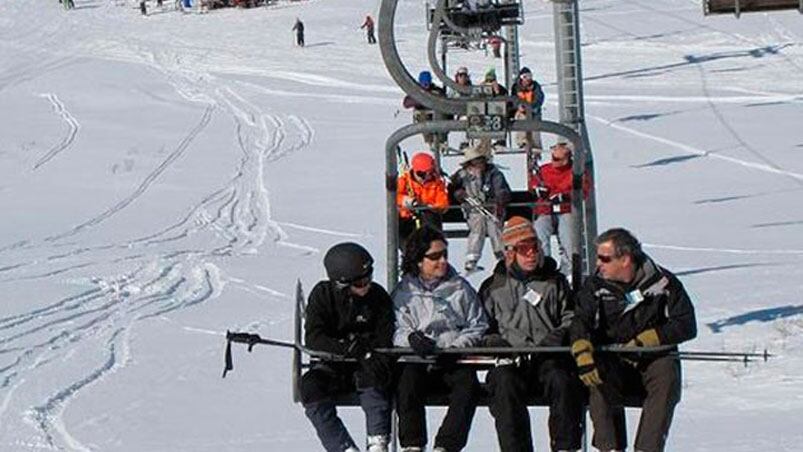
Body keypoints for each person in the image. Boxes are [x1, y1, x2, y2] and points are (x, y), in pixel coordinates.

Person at [569, 228, 698, 452]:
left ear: (625, 259)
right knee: (596, 378)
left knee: (666, 375)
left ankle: (648, 448)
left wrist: (651, 338)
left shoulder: (663, 283)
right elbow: (581, 320)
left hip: (651, 358)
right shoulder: (595, 286)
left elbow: (686, 324)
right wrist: (582, 347)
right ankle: (610, 447)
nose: (599, 264)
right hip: (612, 357)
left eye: (605, 259)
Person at [479, 216, 583, 452]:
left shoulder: (554, 282)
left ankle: (565, 447)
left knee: (563, 380)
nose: (531, 254)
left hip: (547, 356)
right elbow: (480, 324)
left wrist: (559, 335)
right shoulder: (493, 287)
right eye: (523, 249)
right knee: (503, 384)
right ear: (510, 253)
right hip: (510, 359)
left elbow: (570, 316)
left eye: (535, 247)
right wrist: (493, 341)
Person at [393, 226, 488, 452]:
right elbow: (396, 328)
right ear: (418, 260)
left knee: (467, 386)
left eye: (444, 255)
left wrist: (456, 348)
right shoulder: (404, 293)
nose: (442, 261)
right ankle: (412, 444)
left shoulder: (460, 289)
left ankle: (447, 445)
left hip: (451, 359)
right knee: (406, 383)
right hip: (418, 359)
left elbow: (478, 324)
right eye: (434, 257)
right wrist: (412, 340)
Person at [301, 243, 395, 452]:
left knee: (374, 375)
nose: (367, 285)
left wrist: (368, 350)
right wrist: (347, 347)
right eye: (360, 282)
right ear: (341, 283)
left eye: (369, 277)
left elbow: (385, 335)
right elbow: (315, 338)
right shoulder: (323, 296)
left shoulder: (378, 298)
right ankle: (342, 447)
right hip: (333, 364)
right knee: (310, 386)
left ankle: (377, 441)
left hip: (367, 364)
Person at [448, 140, 511, 273]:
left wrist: (499, 201)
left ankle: (502, 257)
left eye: (480, 161)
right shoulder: (461, 175)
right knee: (477, 227)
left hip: (492, 208)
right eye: (474, 163)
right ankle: (472, 259)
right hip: (473, 209)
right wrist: (458, 194)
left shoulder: (494, 173)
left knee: (495, 228)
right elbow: (451, 189)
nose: (478, 165)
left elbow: (502, 190)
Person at [531, 143, 591, 276]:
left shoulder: (575, 172)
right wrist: (538, 190)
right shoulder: (544, 170)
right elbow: (534, 183)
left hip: (566, 209)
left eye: (557, 159)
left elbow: (584, 190)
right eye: (552, 158)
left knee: (568, 237)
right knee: (540, 233)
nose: (553, 162)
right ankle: (543, 266)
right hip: (545, 210)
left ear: (567, 159)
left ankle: (568, 271)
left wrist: (565, 196)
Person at [397, 152, 449, 246]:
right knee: (399, 229)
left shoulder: (437, 183)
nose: (431, 175)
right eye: (428, 173)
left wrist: (428, 207)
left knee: (430, 221)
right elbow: (395, 196)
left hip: (428, 218)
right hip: (407, 218)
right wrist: (407, 201)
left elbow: (443, 203)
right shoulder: (404, 181)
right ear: (420, 173)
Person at [402, 71, 446, 147]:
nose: (426, 86)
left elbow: (445, 100)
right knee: (424, 119)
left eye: (427, 84)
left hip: (435, 114)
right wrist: (420, 100)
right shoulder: (416, 92)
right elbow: (406, 103)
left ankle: (441, 139)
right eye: (424, 84)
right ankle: (430, 140)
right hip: (423, 115)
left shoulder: (436, 91)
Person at [511, 67, 545, 149]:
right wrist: (518, 106)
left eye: (530, 76)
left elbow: (539, 98)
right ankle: (522, 142)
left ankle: (536, 145)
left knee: (535, 127)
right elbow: (513, 99)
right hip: (522, 111)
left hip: (533, 111)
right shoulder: (516, 87)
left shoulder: (535, 86)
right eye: (525, 77)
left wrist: (532, 107)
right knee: (521, 121)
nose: (528, 79)